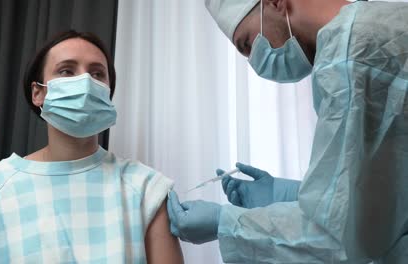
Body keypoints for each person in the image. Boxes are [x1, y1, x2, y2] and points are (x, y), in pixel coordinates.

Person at [167, 0, 408, 263]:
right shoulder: (388, 21)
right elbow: (387, 197)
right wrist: (288, 194)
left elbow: (336, 239)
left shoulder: (350, 54)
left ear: (276, 2)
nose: (254, 61)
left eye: (247, 45)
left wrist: (224, 223)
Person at [0, 30, 183, 263]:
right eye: (66, 71)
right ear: (38, 93)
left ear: (108, 92)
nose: (85, 81)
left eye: (97, 74)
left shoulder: (146, 188)